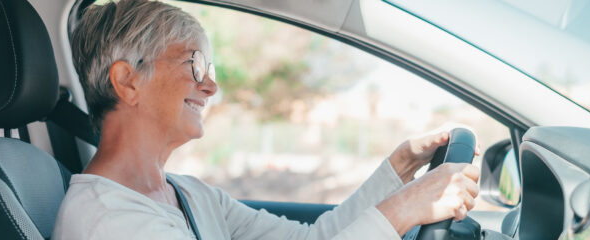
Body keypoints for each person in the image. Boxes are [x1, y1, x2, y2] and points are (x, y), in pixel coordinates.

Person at [52, 0, 480, 239]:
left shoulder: (188, 194)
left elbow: (314, 239)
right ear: (127, 81)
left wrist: (399, 170)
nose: (210, 87)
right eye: (194, 64)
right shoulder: (110, 222)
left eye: (211, 70)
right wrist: (405, 208)